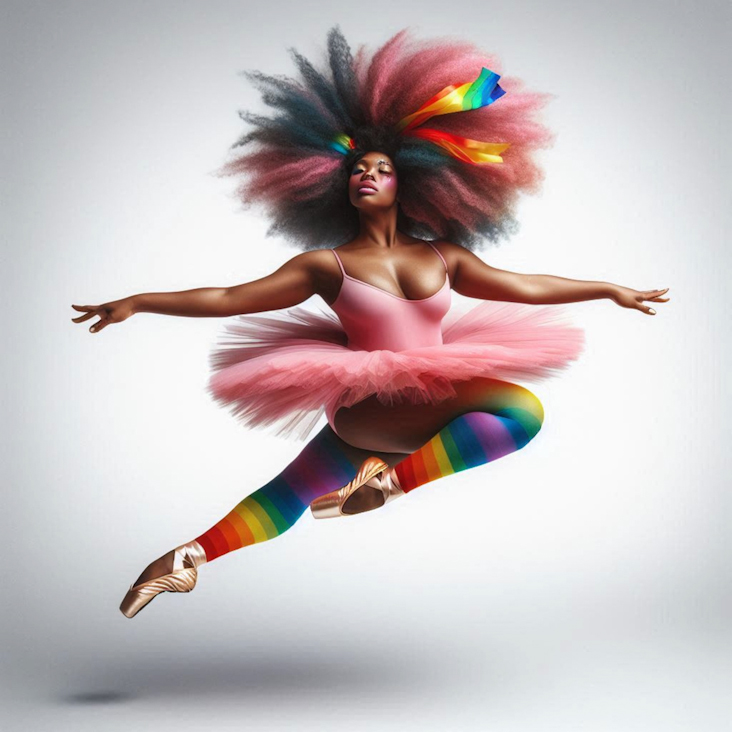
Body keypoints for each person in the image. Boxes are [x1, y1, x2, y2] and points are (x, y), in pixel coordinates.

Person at [70, 27, 669, 618]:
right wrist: (139, 301)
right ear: (336, 188)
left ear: (408, 181)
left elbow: (524, 286)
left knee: (290, 494)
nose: (366, 175)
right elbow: (231, 297)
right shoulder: (325, 265)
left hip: (408, 417)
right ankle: (387, 487)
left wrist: (607, 290)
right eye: (356, 170)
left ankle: (184, 558)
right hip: (369, 404)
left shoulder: (444, 255)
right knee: (521, 411)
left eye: (380, 168)